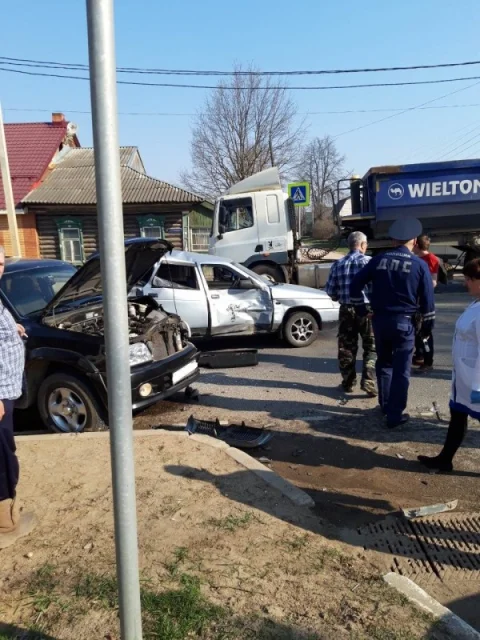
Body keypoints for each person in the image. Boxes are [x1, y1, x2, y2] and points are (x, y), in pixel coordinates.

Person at [350, 218, 435, 428]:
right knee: (402, 369)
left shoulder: (378, 260)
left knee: (385, 364)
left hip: (380, 322)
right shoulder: (419, 265)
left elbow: (354, 285)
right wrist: (426, 329)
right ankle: (395, 415)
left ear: (394, 240)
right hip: (405, 324)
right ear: (414, 240)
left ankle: (385, 406)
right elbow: (428, 302)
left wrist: (362, 310)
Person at [418, 258, 480, 472]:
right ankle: (445, 459)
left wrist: (478, 388)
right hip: (464, 378)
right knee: (458, 415)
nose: (465, 283)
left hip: (475, 381)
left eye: (469, 279)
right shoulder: (476, 303)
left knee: (465, 414)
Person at [0, 246, 36, 549]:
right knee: (3, 454)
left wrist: (13, 329)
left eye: (0, 263)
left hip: (6, 390)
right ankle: (5, 522)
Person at [325, 231, 377, 396]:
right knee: (371, 346)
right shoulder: (370, 262)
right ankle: (368, 380)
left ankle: (348, 382)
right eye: (366, 244)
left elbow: (331, 291)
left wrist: (340, 296)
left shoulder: (338, 264)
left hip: (346, 310)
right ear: (362, 245)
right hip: (367, 310)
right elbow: (377, 289)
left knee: (346, 347)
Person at [413, 234, 440, 374]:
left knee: (425, 332)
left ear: (417, 245)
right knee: (416, 330)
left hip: (424, 301)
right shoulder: (416, 259)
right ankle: (419, 355)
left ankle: (428, 361)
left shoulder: (431, 259)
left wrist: (420, 287)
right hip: (415, 301)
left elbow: (433, 281)